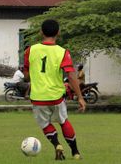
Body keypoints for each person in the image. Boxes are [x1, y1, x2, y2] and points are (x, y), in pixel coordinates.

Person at [24, 19, 86, 160]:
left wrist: (33, 76)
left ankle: (57, 144)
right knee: (63, 121)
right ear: (58, 32)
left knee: (45, 124)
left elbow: (26, 75)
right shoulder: (62, 52)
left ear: (41, 32)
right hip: (56, 96)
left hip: (38, 97)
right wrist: (80, 97)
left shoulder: (30, 50)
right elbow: (71, 75)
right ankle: (75, 153)